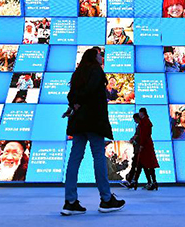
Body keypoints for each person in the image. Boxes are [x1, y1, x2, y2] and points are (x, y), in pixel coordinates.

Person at [62, 48, 125, 216]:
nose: (101, 57)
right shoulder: (96, 70)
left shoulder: (78, 73)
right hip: (93, 120)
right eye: (99, 54)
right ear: (93, 57)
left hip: (78, 121)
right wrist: (77, 102)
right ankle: (106, 199)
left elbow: (71, 95)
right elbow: (89, 91)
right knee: (98, 156)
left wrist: (74, 104)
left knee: (74, 159)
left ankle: (70, 202)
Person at [130, 108, 159, 190]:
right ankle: (151, 182)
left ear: (142, 113)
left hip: (145, 146)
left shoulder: (144, 122)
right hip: (146, 146)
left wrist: (141, 145)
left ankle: (138, 182)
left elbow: (144, 135)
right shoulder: (145, 121)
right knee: (145, 164)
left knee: (143, 164)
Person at [120, 113, 141, 189]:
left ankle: (131, 181)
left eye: (135, 119)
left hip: (139, 150)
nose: (134, 121)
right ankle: (132, 181)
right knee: (139, 167)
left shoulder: (141, 127)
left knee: (137, 166)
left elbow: (138, 136)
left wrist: (133, 139)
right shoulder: (139, 126)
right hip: (138, 149)